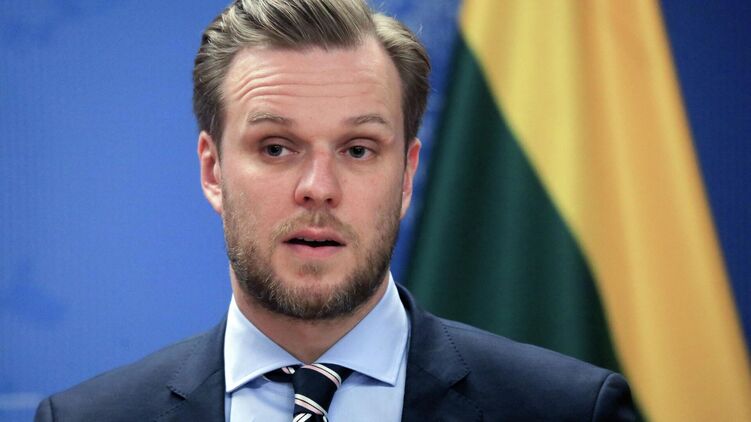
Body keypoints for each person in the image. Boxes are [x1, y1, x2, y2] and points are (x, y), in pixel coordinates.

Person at [35, 0, 636, 420]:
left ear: (406, 175)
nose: (319, 188)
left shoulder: (570, 410)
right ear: (213, 171)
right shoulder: (85, 418)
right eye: (276, 147)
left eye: (358, 149)